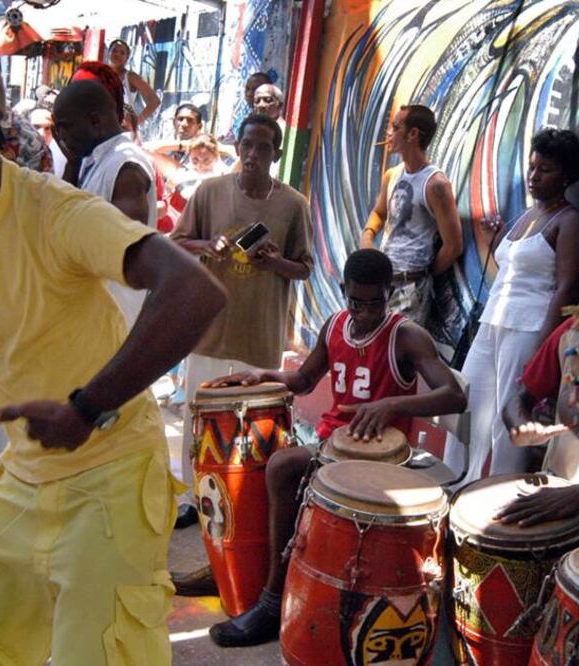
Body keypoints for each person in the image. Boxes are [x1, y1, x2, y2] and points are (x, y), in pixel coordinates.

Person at [0, 27, 225, 663]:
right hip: (22, 475)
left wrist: (87, 407)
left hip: (112, 471)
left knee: (100, 651)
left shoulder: (55, 211)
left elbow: (194, 290)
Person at [204, 248, 467, 646]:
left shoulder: (405, 335)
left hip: (383, 459)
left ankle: (273, 600)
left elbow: (454, 396)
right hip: (334, 446)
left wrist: (393, 403)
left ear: (389, 290)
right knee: (276, 464)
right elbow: (306, 380)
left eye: (373, 302)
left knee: (282, 466)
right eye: (355, 302)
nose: (363, 312)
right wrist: (266, 375)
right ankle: (268, 581)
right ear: (344, 290)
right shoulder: (335, 326)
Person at [169, 112, 313, 590]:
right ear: (237, 145)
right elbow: (177, 242)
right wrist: (208, 243)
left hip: (258, 334)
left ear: (275, 153)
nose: (253, 155)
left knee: (252, 431)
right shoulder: (210, 192)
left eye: (263, 148)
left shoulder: (292, 205)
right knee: (200, 419)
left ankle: (245, 507)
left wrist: (276, 261)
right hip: (209, 329)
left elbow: (305, 269)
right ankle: (197, 499)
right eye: (247, 145)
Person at [442, 128, 579, 485]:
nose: (534, 176)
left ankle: (493, 504)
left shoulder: (568, 220)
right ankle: (450, 488)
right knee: (467, 411)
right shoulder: (526, 215)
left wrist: (541, 349)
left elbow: (567, 287)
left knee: (506, 425)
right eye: (533, 167)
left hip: (528, 328)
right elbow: (511, 268)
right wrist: (494, 240)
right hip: (492, 323)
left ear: (567, 176)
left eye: (546, 170)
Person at [53, 79, 157, 324]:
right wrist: (72, 163)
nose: (61, 137)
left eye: (65, 127)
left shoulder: (125, 167)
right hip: (91, 312)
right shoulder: (94, 159)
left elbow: (124, 247)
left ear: (95, 121)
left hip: (115, 316)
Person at [360, 104, 463, 326]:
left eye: (395, 127)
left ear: (413, 134)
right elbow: (379, 212)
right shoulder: (392, 175)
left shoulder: (435, 184)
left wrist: (421, 276)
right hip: (381, 281)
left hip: (410, 288)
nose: (389, 133)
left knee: (397, 350)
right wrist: (367, 236)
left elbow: (453, 245)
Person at [106, 38, 160, 123]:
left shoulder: (130, 77)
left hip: (120, 130)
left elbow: (154, 101)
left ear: (127, 58)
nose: (118, 55)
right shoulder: (100, 75)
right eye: (114, 51)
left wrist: (136, 122)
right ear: (108, 53)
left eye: (122, 53)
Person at [144, 102, 203, 166]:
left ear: (199, 127)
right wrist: (183, 145)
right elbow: (145, 149)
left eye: (190, 120)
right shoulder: (164, 137)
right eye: (180, 119)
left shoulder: (204, 146)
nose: (184, 124)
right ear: (174, 123)